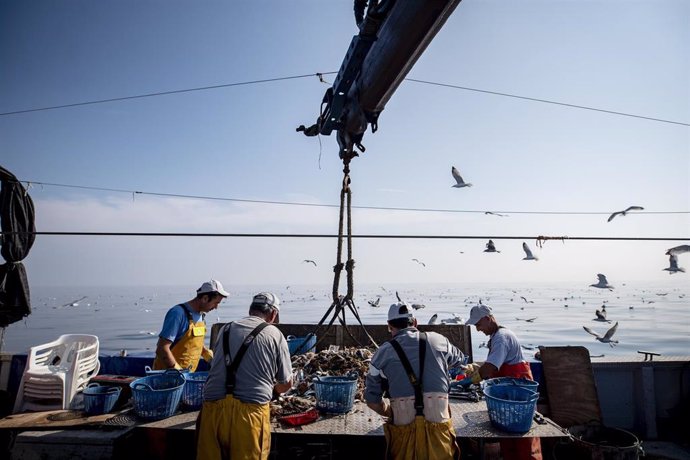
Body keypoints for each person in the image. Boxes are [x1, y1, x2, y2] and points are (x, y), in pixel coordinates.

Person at [196, 292, 292, 460]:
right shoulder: (275, 334)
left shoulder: (224, 329)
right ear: (273, 314)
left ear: (250, 310)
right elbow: (286, 383)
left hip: (212, 411)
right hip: (249, 416)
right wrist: (274, 390)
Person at [365, 302, 466, 460]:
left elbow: (372, 401)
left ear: (389, 326)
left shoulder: (381, 354)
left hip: (404, 434)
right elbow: (461, 362)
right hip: (440, 432)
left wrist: (389, 412)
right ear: (415, 322)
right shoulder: (440, 340)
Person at [464, 304, 543, 460]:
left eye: (478, 324)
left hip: (520, 391)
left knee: (523, 436)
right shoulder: (496, 336)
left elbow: (490, 369)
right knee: (508, 434)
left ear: (488, 319)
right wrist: (475, 368)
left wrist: (470, 380)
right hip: (510, 391)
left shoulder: (501, 337)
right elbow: (493, 364)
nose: (478, 329)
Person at [152, 279, 228, 372]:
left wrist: (211, 359)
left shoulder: (201, 316)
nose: (216, 307)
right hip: (166, 378)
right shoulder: (178, 314)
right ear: (205, 298)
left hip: (187, 377)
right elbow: (162, 348)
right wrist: (178, 372)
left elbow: (194, 344)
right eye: (216, 303)